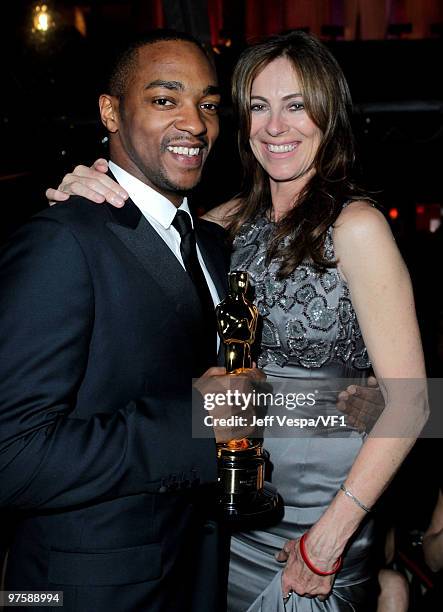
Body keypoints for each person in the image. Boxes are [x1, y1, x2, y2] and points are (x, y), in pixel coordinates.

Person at [46, 30, 427, 611]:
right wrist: (89, 183)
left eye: (297, 105)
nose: (276, 126)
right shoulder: (219, 224)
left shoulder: (357, 227)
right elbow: (141, 228)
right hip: (227, 506)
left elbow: (415, 402)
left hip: (324, 516)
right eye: (258, 105)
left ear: (329, 116)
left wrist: (330, 537)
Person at [0, 29, 263, 612]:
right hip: (80, 591)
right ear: (110, 113)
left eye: (209, 104)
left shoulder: (212, 244)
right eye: (165, 100)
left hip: (196, 573)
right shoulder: (61, 241)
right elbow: (11, 454)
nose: (194, 123)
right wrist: (192, 424)